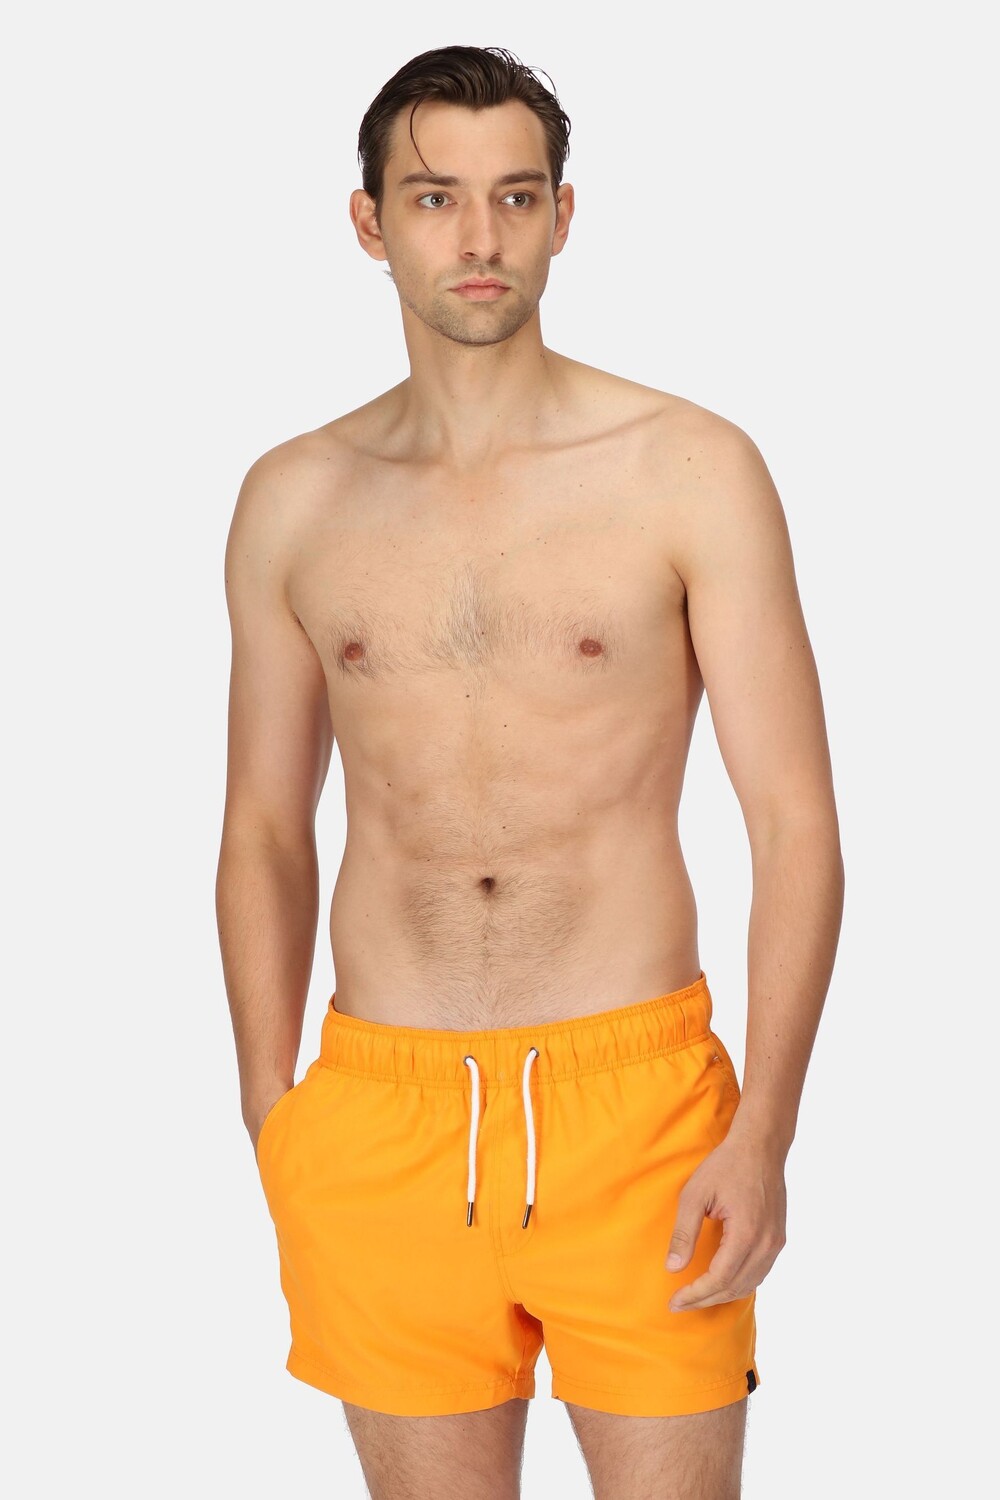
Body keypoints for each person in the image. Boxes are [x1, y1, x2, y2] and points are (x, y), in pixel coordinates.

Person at [216, 43, 844, 1500]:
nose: (479, 237)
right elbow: (263, 824)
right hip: (381, 1111)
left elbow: (795, 820)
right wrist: (270, 1108)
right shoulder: (294, 499)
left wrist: (765, 1131)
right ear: (370, 222)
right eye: (435, 197)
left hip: (638, 1110)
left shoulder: (688, 467)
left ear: (565, 215)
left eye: (515, 196)